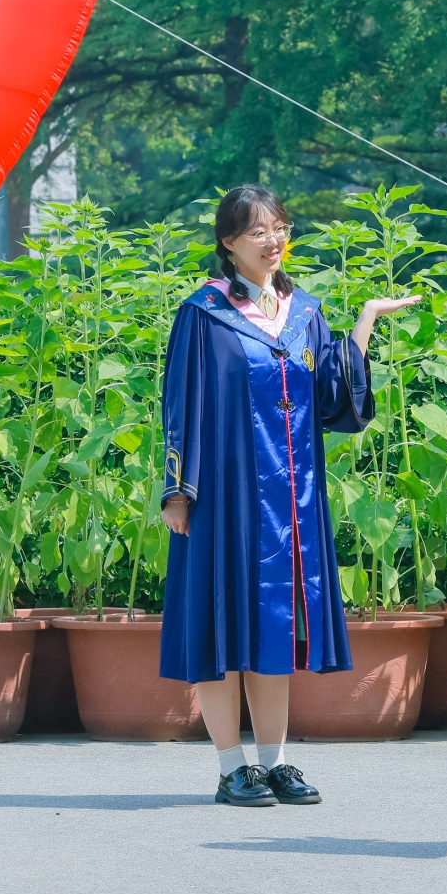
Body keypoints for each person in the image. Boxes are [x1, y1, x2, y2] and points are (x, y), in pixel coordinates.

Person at [157, 184, 420, 807]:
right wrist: (177, 491)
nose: (273, 241)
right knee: (220, 627)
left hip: (290, 504)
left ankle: (273, 764)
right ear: (228, 242)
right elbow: (180, 405)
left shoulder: (304, 311)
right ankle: (231, 768)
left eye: (280, 228)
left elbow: (332, 399)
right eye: (258, 231)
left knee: (274, 626)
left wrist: (364, 322)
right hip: (223, 497)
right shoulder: (203, 314)